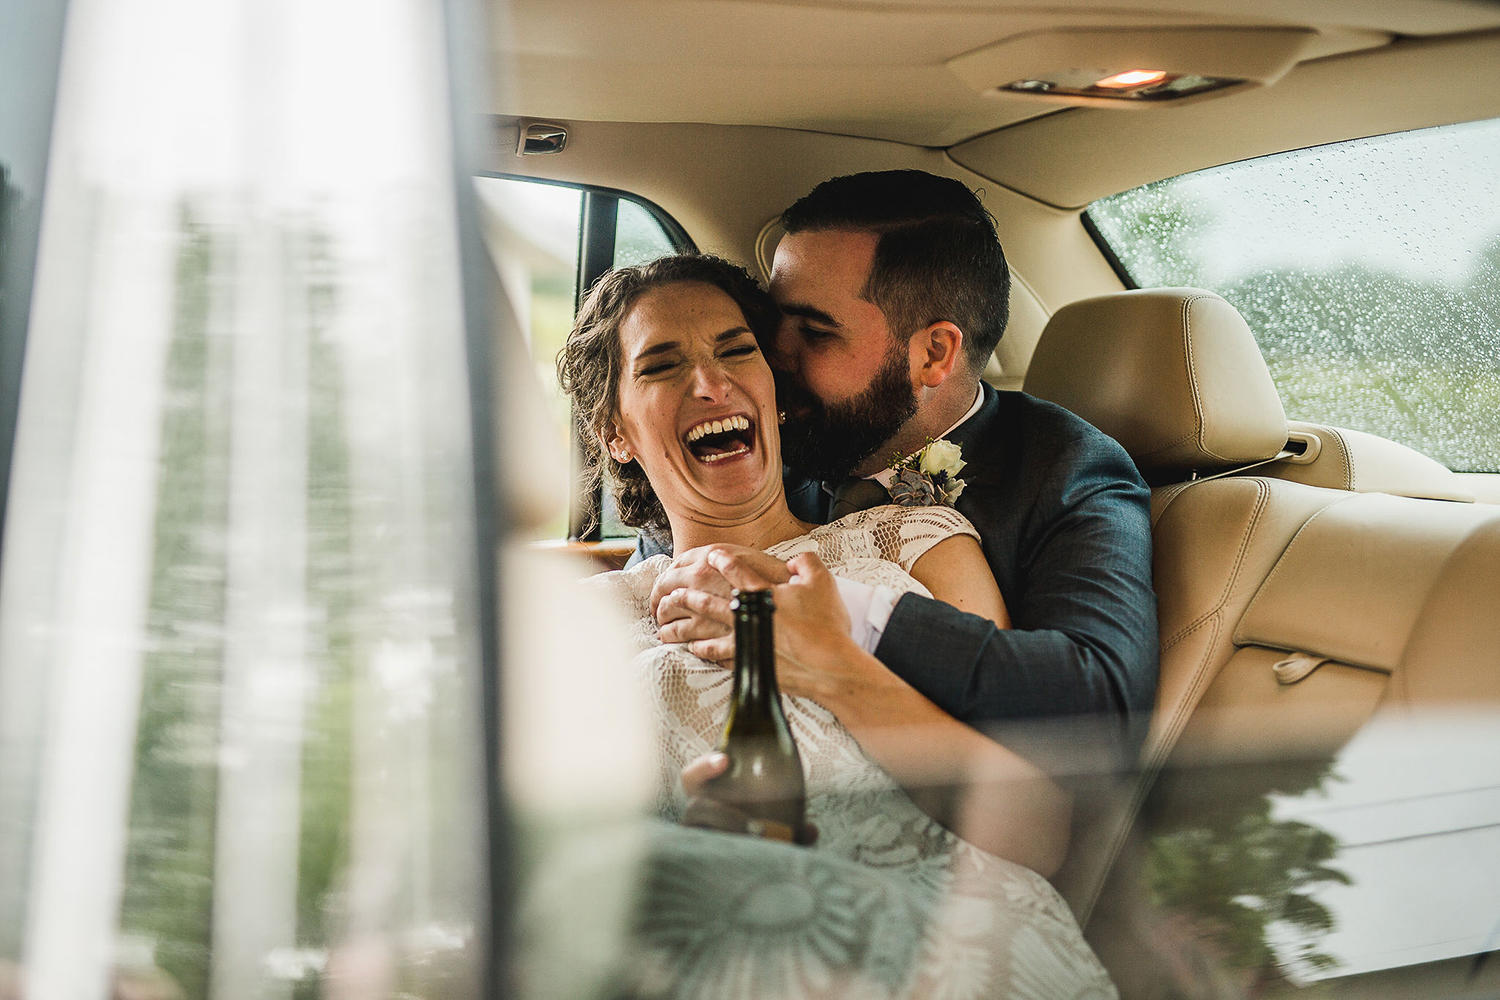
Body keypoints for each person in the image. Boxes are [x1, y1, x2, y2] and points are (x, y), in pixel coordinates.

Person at [548, 253, 1117, 999]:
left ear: (773, 393)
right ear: (614, 431)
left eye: (736, 350)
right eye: (660, 365)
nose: (711, 383)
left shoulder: (912, 540)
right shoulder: (585, 623)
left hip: (958, 946)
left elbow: (1037, 831)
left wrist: (833, 666)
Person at [645, 170, 1158, 761]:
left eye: (813, 331)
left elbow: (1101, 699)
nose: (774, 357)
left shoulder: (1066, 472)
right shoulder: (766, 450)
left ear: (933, 353)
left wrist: (843, 615)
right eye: (772, 323)